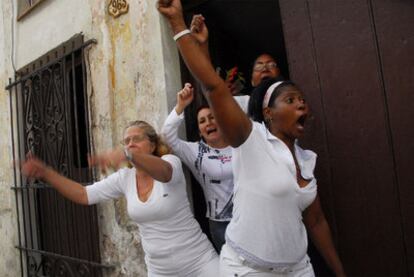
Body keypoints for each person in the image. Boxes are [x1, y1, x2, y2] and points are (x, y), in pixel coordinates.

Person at [158, 1, 346, 276]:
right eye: (291, 100)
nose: (302, 106)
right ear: (268, 113)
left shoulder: (305, 161)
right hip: (248, 269)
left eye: (303, 101)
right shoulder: (251, 138)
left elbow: (316, 222)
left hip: (298, 269)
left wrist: (339, 272)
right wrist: (177, 24)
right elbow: (213, 87)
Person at [21, 120, 219, 277]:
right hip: (161, 269)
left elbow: (165, 173)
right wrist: (46, 173)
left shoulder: (169, 162)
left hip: (198, 260)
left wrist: (127, 155)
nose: (130, 144)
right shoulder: (125, 178)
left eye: (136, 139)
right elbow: (84, 194)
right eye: (126, 141)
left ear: (152, 145)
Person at [161, 83, 233, 252]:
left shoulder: (240, 144)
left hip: (251, 216)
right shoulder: (195, 151)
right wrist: (181, 105)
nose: (208, 123)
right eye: (202, 121)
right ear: (200, 131)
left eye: (212, 117)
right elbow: (166, 135)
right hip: (221, 224)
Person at [190, 14, 281, 112]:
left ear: (279, 74)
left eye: (271, 65)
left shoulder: (294, 99)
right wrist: (203, 44)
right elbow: (213, 93)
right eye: (259, 66)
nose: (265, 69)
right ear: (252, 81)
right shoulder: (244, 105)